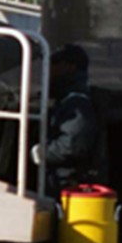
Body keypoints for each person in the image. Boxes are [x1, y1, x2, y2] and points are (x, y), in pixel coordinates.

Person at [32, 43, 99, 194]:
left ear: (70, 67)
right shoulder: (65, 100)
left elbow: (72, 145)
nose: (49, 69)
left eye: (55, 63)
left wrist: (42, 152)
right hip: (60, 180)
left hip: (67, 185)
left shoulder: (77, 102)